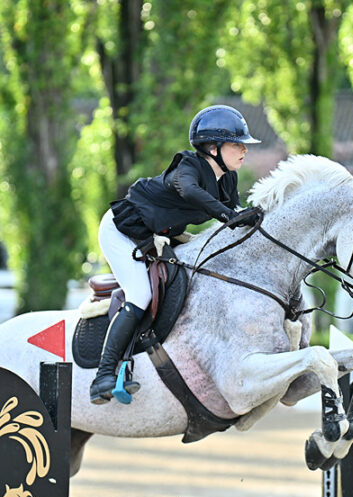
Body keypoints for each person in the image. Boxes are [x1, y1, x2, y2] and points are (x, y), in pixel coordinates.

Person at [90, 105, 262, 404]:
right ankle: (103, 376)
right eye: (237, 144)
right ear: (212, 147)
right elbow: (191, 193)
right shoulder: (187, 166)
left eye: (243, 144)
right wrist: (229, 216)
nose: (244, 150)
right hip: (123, 230)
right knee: (140, 294)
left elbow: (233, 213)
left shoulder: (228, 179)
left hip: (160, 233)